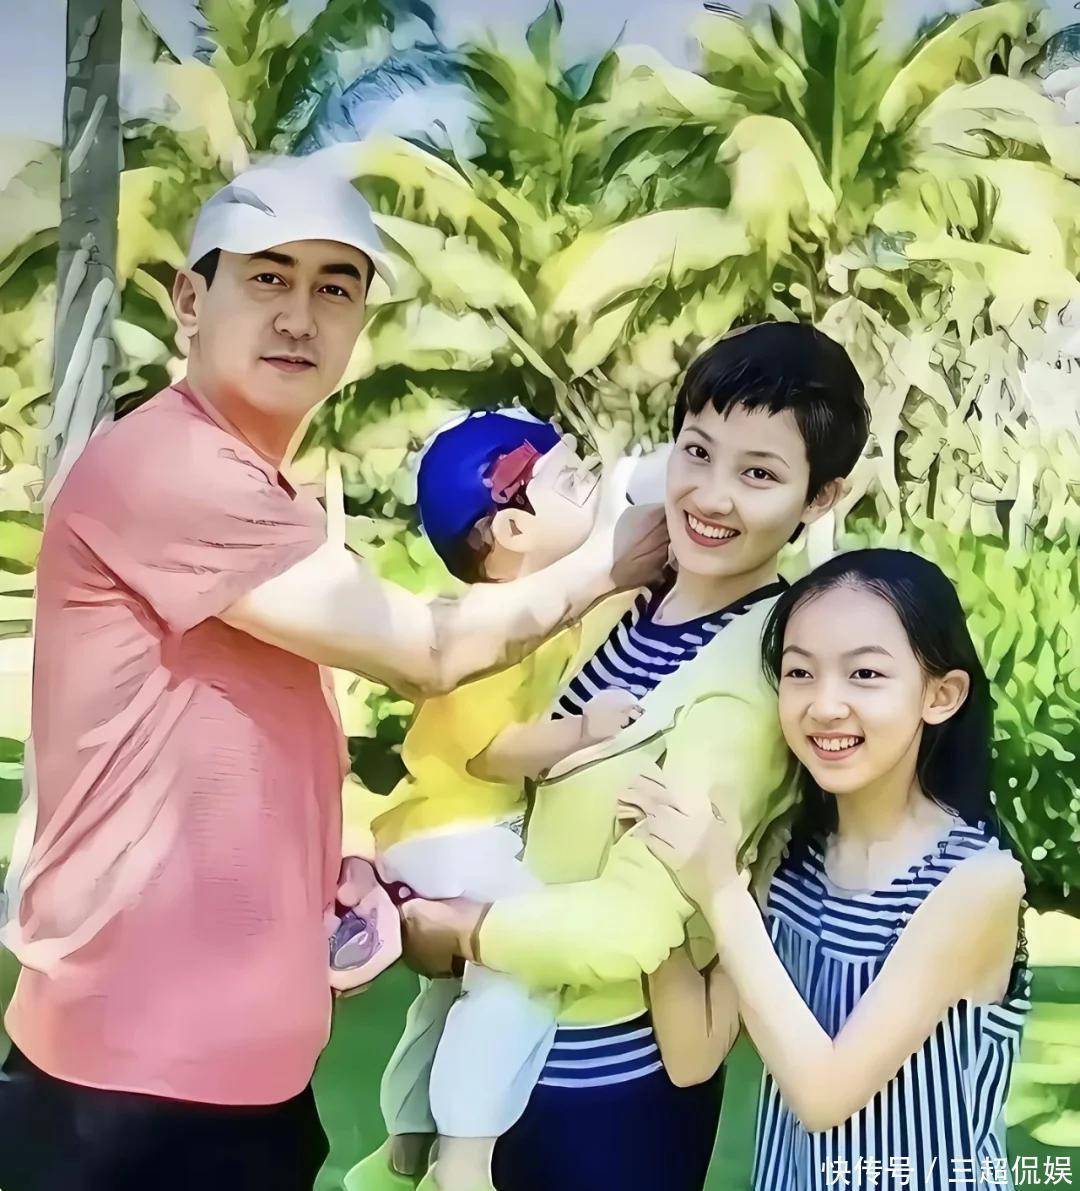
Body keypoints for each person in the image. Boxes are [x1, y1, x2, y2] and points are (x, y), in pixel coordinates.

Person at [0, 154, 666, 1191]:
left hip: (233, 1076)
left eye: (334, 288)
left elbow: (231, 740)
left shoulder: (261, 492)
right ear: (190, 302)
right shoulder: (169, 467)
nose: (299, 315)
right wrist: (606, 564)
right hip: (132, 1090)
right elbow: (427, 651)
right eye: (267, 277)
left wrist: (322, 875)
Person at [401, 321, 872, 1191]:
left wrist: (463, 929)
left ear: (820, 498)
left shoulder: (755, 674)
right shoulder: (622, 600)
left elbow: (634, 923)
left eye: (759, 474)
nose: (711, 496)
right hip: (505, 1066)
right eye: (698, 452)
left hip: (603, 1099)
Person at [629, 549, 1031, 1190]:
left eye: (865, 674)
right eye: (800, 673)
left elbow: (823, 1096)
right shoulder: (787, 856)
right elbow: (694, 1052)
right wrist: (652, 875)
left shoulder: (976, 882)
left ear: (941, 695)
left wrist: (721, 890)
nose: (824, 705)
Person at [349, 409, 651, 1191]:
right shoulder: (493, 623)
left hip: (440, 829)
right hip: (458, 828)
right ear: (514, 528)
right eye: (570, 479)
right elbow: (491, 748)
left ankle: (403, 1145)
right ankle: (466, 1158)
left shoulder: (540, 607)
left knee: (445, 992)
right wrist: (582, 730)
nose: (590, 484)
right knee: (518, 959)